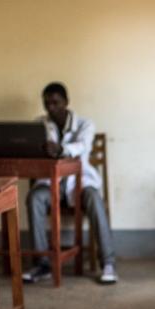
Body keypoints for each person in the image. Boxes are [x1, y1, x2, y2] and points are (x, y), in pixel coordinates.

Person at [22, 82, 118, 284]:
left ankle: (108, 263)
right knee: (34, 198)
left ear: (66, 102)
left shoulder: (85, 124)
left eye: (55, 102)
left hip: (79, 184)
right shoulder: (40, 124)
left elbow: (82, 146)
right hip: (51, 183)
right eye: (46, 103)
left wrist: (59, 149)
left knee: (94, 197)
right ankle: (42, 264)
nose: (51, 107)